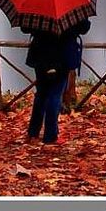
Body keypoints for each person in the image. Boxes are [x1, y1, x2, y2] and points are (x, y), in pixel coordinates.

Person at [23, 17, 91, 145]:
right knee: (55, 95)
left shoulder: (37, 5)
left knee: (41, 94)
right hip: (63, 56)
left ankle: (33, 133)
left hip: (40, 54)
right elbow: (83, 27)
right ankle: (50, 136)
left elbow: (25, 28)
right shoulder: (72, 8)